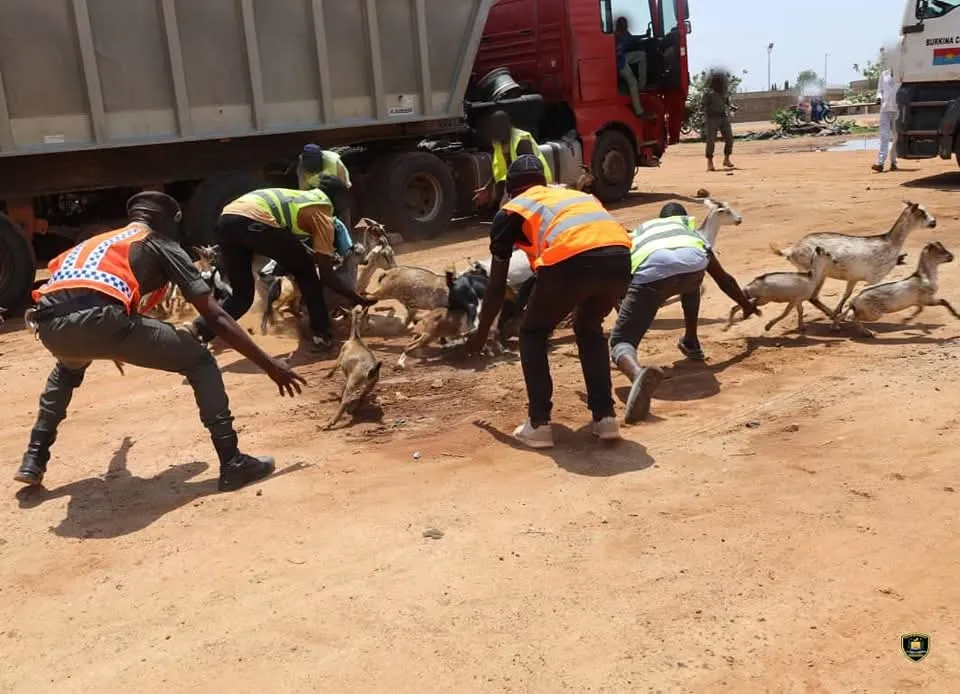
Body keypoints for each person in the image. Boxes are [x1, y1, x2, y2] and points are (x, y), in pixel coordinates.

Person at [15, 192, 305, 492]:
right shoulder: (158, 241)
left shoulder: (98, 241)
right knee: (200, 360)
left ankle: (34, 458)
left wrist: (122, 453)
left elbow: (79, 291)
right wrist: (270, 365)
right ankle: (232, 462)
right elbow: (216, 315)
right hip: (104, 320)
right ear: (170, 220)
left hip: (49, 325)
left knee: (66, 370)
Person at [464, 155, 633, 449]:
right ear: (542, 181)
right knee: (589, 329)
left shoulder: (514, 209)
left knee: (533, 333)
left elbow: (495, 287)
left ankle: (539, 424)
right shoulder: (572, 196)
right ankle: (605, 418)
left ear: (512, 189)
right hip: (620, 259)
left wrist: (479, 337)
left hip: (572, 260)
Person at [609, 202, 759, 422]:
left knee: (621, 340)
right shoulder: (692, 235)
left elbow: (621, 271)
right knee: (691, 284)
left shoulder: (643, 232)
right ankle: (691, 340)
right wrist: (745, 304)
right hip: (692, 268)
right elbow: (723, 279)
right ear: (684, 219)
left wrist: (620, 300)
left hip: (651, 276)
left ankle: (637, 373)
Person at [187, 180, 376, 351]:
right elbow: (326, 274)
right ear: (340, 199)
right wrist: (355, 297)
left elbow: (288, 238)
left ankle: (197, 330)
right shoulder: (322, 213)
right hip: (255, 220)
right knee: (307, 273)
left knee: (242, 296)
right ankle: (322, 335)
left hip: (227, 218)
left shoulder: (302, 198)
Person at [473, 111, 553, 209]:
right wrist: (488, 187)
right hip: (518, 184)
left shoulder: (521, 140)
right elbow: (499, 168)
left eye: (498, 127)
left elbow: (530, 170)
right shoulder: (498, 142)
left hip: (535, 183)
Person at [296, 144, 354, 229]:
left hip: (337, 190)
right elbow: (303, 190)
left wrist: (339, 203)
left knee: (343, 214)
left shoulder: (333, 161)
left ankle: (346, 237)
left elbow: (344, 185)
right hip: (317, 193)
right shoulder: (301, 166)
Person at [614, 17, 654, 120]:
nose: (624, 28)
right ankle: (639, 112)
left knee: (641, 55)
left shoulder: (625, 34)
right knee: (632, 82)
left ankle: (641, 86)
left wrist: (645, 35)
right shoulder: (614, 36)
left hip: (623, 57)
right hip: (617, 62)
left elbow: (634, 39)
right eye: (622, 26)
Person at [702, 72, 736, 171]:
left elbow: (728, 103)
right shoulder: (708, 93)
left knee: (729, 139)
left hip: (723, 117)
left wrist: (732, 107)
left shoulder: (724, 92)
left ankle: (726, 159)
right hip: (711, 118)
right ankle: (710, 162)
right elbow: (703, 105)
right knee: (711, 141)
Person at [873, 67, 899, 173]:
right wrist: (878, 97)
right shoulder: (884, 74)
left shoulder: (902, 74)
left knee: (896, 137)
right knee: (884, 137)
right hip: (885, 109)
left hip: (897, 109)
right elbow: (880, 90)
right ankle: (880, 163)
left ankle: (893, 161)